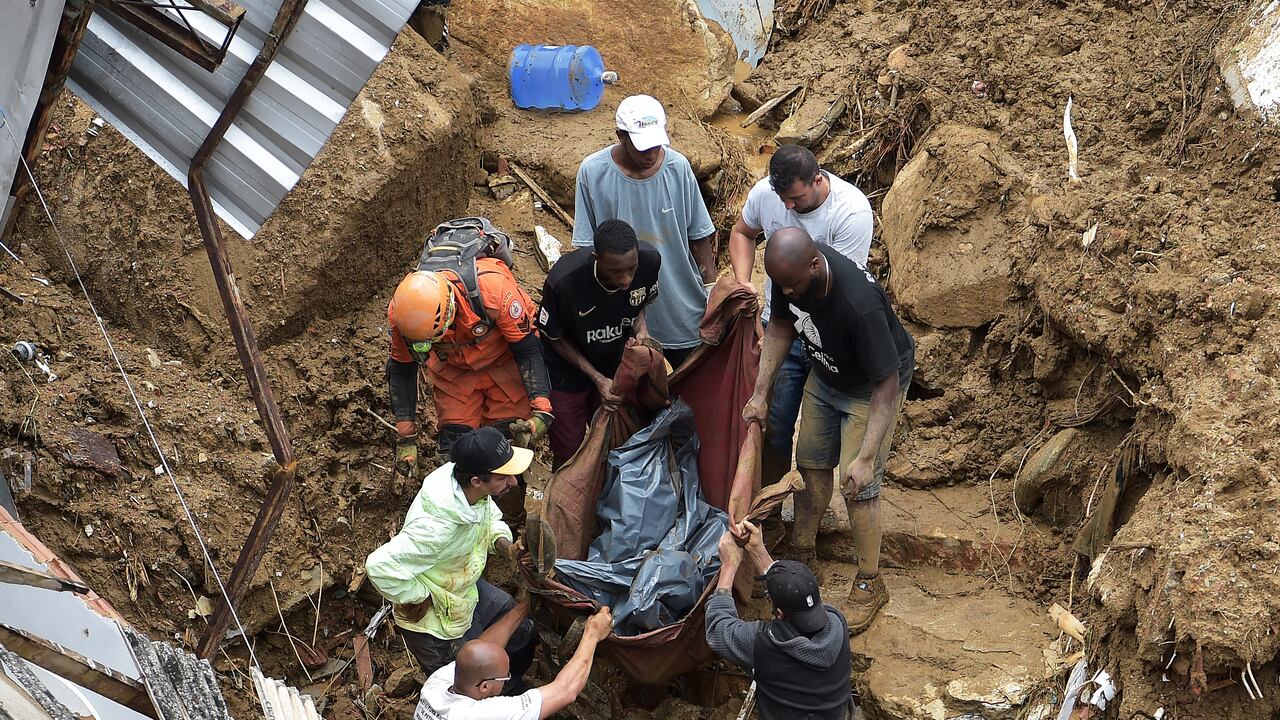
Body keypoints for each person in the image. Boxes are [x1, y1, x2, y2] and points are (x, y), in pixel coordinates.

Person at [742, 228, 914, 633]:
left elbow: (887, 382)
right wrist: (760, 394)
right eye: (782, 286)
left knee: (857, 486)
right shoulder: (790, 275)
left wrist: (867, 457)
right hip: (826, 376)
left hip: (870, 388)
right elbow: (781, 328)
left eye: (794, 285)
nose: (788, 292)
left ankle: (871, 580)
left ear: (815, 265)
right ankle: (803, 553)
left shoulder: (858, 303)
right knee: (811, 466)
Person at [727, 145, 874, 493]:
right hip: (779, 324)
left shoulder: (850, 212)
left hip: (828, 335)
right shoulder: (767, 194)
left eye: (796, 197)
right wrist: (745, 282)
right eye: (783, 199)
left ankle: (809, 509)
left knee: (816, 434)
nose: (789, 207)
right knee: (773, 422)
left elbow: (840, 290)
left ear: (818, 180)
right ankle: (770, 502)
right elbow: (743, 233)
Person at [386, 243, 552, 525]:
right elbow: (402, 370)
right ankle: (464, 524)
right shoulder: (403, 316)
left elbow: (528, 351)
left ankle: (510, 520)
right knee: (455, 453)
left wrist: (541, 411)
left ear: (449, 313)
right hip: (454, 374)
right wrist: (407, 438)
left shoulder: (494, 292)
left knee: (503, 451)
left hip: (504, 366)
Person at [366, 427, 537, 677]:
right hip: (435, 621)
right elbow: (378, 566)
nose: (513, 482)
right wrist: (420, 596)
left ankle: (510, 681)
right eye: (504, 477)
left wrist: (506, 547)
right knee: (462, 680)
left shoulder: (469, 486)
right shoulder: (436, 529)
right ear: (478, 481)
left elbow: (488, 518)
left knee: (517, 625)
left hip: (462, 586)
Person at [571, 94, 717, 370]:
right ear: (620, 136)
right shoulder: (593, 173)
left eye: (655, 145)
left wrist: (710, 291)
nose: (651, 154)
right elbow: (585, 250)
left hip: (681, 304)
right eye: (642, 147)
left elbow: (699, 236)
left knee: (693, 393)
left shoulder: (678, 168)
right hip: (621, 309)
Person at [539, 219, 661, 468]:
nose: (626, 279)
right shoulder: (564, 281)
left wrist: (641, 330)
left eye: (631, 268)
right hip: (566, 372)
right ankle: (564, 502)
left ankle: (607, 499)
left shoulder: (650, 261)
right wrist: (596, 378)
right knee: (569, 447)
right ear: (596, 258)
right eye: (616, 272)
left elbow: (639, 305)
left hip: (613, 364)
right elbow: (555, 336)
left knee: (615, 439)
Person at [705, 521, 855, 720]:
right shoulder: (838, 624)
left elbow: (717, 627)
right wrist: (758, 551)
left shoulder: (764, 645)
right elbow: (798, 597)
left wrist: (729, 566)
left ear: (780, 614)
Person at [415, 604, 614, 719]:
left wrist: (526, 605)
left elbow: (482, 646)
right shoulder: (483, 715)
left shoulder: (437, 684)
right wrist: (592, 634)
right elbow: (566, 690)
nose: (507, 680)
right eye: (505, 677)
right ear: (484, 686)